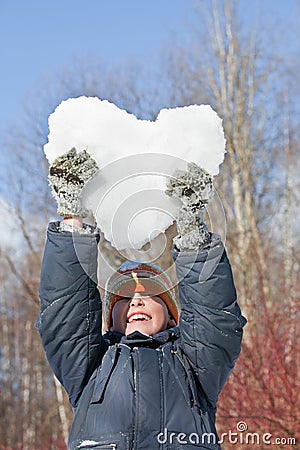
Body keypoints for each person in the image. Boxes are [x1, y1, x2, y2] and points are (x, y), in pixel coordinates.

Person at [37, 148, 246, 450]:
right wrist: (72, 219)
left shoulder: (195, 366)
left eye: (148, 294)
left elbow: (213, 318)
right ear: (109, 319)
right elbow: (65, 313)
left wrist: (191, 232)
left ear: (173, 315)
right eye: (123, 297)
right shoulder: (90, 368)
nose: (135, 300)